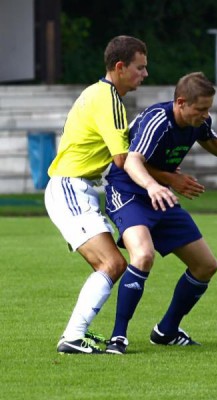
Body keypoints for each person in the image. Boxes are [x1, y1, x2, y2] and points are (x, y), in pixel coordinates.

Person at [104, 71, 217, 354]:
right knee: (143, 255)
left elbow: (210, 138)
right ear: (180, 103)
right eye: (201, 109)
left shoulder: (198, 120)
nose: (205, 115)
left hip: (159, 193)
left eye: (209, 109)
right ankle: (118, 337)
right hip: (129, 192)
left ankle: (167, 330)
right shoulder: (157, 121)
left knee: (206, 265)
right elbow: (130, 161)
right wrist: (159, 183)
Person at [44, 35, 162, 354]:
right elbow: (123, 162)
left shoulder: (100, 94)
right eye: (140, 68)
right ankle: (72, 336)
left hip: (78, 188)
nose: (145, 74)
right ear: (120, 67)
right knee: (111, 263)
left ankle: (76, 334)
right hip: (71, 187)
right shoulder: (108, 99)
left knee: (113, 264)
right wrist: (163, 178)